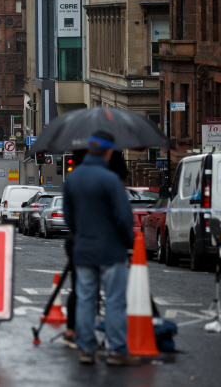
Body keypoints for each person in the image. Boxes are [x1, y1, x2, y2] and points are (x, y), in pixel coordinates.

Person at [62, 131, 139, 366]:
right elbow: (124, 218)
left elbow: (68, 217)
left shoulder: (73, 179)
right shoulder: (110, 179)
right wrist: (128, 242)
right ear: (108, 152)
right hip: (110, 250)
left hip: (83, 249)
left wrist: (82, 233)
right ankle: (117, 350)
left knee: (85, 299)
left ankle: (86, 348)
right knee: (114, 300)